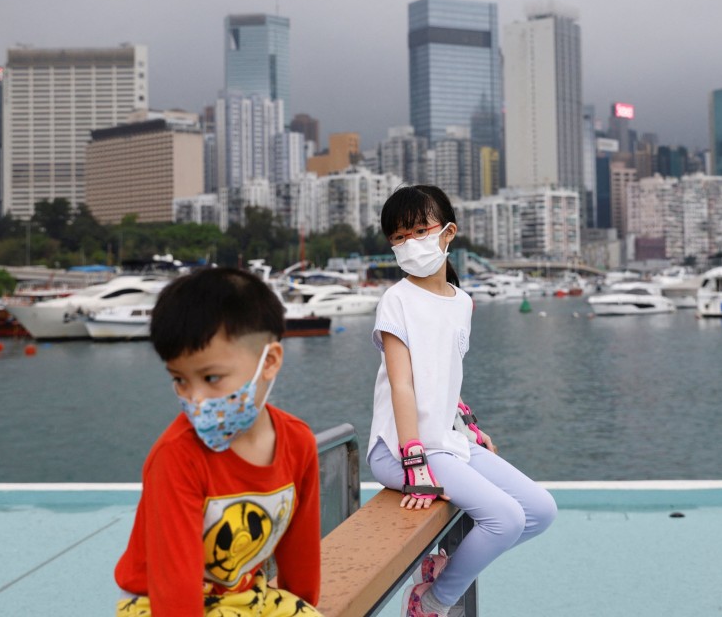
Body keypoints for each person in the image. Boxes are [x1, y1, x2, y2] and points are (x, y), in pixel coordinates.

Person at [367, 185, 558, 617]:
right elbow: (403, 384)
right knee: (504, 519)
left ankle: (441, 570)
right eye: (398, 237)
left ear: (448, 233)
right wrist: (414, 461)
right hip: (401, 448)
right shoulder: (396, 300)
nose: (408, 244)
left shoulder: (462, 302)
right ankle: (430, 602)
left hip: (446, 441)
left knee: (540, 511)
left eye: (419, 230)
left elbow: (445, 376)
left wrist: (469, 424)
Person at [115, 267, 321, 617]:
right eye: (180, 379)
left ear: (269, 361)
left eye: (212, 377)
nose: (195, 398)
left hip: (243, 596)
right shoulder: (177, 456)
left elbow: (300, 553)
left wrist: (303, 604)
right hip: (159, 604)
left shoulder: (298, 442)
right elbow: (174, 589)